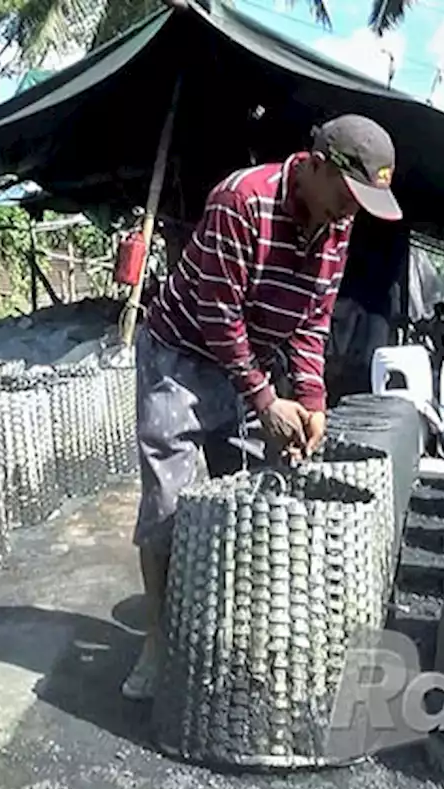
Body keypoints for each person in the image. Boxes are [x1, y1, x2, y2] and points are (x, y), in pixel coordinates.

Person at [124, 114, 402, 700]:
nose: (351, 214)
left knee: (267, 493)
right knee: (171, 505)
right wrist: (264, 398)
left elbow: (312, 320)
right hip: (183, 355)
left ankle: (231, 634)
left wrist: (311, 397)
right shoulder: (243, 201)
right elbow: (217, 315)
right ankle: (158, 641)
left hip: (256, 360)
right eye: (350, 197)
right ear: (319, 165)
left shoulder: (336, 223)